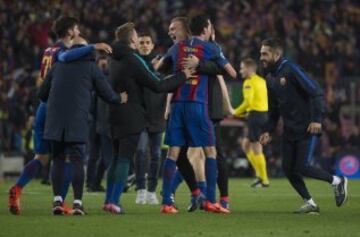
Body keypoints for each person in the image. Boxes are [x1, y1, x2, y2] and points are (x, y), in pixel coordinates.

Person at [8, 16, 112, 215]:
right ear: (71, 31)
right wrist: (93, 46)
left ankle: (19, 187)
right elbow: (67, 61)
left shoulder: (48, 51)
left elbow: (42, 83)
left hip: (42, 107)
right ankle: (61, 201)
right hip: (58, 109)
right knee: (65, 157)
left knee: (43, 157)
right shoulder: (65, 52)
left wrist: (32, 109)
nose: (79, 32)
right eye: (77, 28)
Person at [104, 22, 194, 214]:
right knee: (124, 159)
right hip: (131, 115)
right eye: (136, 36)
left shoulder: (114, 59)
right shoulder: (132, 59)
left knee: (116, 157)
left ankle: (108, 200)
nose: (138, 40)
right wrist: (182, 76)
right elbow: (157, 85)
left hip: (115, 114)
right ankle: (114, 201)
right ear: (132, 39)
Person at [259, 37, 348, 214]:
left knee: (302, 166)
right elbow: (274, 109)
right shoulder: (269, 76)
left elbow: (316, 92)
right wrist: (269, 130)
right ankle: (310, 203)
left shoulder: (291, 69)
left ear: (276, 54)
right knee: (287, 169)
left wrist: (316, 119)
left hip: (307, 127)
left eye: (265, 53)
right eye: (261, 53)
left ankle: (338, 181)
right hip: (289, 129)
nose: (261, 57)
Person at [40, 36, 126, 215]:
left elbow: (42, 94)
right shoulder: (91, 68)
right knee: (78, 160)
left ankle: (57, 201)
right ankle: (78, 203)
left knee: (57, 158)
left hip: (55, 119)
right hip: (77, 120)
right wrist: (120, 98)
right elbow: (107, 94)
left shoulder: (57, 66)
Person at [160, 14, 234, 214]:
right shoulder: (210, 48)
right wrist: (202, 65)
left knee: (176, 153)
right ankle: (210, 199)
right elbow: (231, 73)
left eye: (174, 29)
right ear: (206, 28)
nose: (170, 32)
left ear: (187, 29)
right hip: (199, 106)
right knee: (209, 152)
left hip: (178, 105)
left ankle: (167, 200)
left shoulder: (176, 49)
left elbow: (158, 70)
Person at [133, 32, 166, 205]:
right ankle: (140, 189)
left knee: (156, 155)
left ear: (152, 45)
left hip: (157, 117)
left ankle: (152, 190)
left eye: (147, 42)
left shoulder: (161, 64)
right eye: (142, 42)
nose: (145, 45)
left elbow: (166, 86)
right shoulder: (134, 63)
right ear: (137, 45)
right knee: (140, 152)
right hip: (139, 118)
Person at [234, 58, 270, 188]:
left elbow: (248, 102)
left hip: (255, 115)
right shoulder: (261, 81)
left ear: (250, 69)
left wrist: (235, 111)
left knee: (256, 147)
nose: (240, 70)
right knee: (246, 144)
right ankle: (260, 176)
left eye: (242, 68)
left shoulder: (248, 82)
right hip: (262, 115)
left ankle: (264, 179)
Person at [86, 55, 113, 192]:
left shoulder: (100, 80)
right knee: (95, 154)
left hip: (100, 122)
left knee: (100, 155)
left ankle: (94, 182)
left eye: (104, 65)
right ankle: (91, 183)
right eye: (101, 65)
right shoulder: (97, 80)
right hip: (96, 122)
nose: (103, 68)